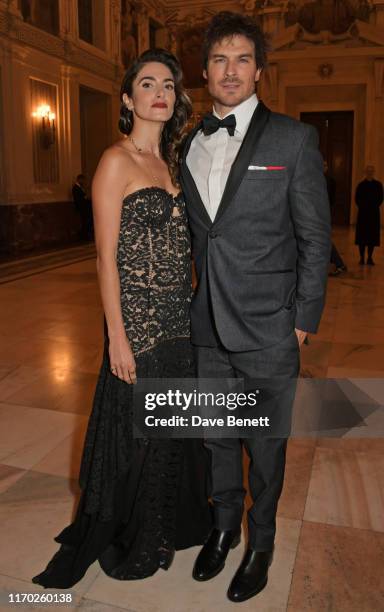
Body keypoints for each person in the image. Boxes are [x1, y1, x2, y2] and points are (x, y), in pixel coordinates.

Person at [32, 48, 212, 590]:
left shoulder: (174, 165)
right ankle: (132, 533)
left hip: (180, 321)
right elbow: (104, 257)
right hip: (139, 324)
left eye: (167, 85)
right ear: (129, 98)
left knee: (172, 433)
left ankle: (163, 528)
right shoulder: (115, 161)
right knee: (135, 442)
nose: (159, 92)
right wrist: (117, 337)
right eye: (148, 83)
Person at [180, 12, 331, 603]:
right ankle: (222, 530)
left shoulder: (293, 139)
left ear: (260, 70)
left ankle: (260, 543)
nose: (230, 69)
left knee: (265, 448)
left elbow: (316, 239)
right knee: (216, 439)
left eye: (242, 58)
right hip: (207, 328)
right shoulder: (187, 141)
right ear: (205, 71)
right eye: (220, 59)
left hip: (271, 328)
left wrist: (301, 322)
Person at [355, 165, 383, 265]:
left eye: (371, 171)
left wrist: (373, 206)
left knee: (372, 237)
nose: (370, 173)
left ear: (374, 172)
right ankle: (361, 258)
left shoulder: (378, 185)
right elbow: (357, 199)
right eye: (368, 171)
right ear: (365, 172)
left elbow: (380, 198)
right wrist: (364, 207)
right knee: (362, 237)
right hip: (363, 214)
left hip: (374, 214)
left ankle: (370, 258)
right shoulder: (361, 185)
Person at [323, 160, 347, 275]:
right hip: (318, 214)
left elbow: (331, 199)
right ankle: (338, 263)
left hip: (322, 215)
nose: (323, 167)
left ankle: (339, 263)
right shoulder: (315, 179)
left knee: (325, 240)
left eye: (325, 165)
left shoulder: (329, 181)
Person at [72, 174, 93, 240]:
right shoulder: (75, 188)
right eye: (83, 180)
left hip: (85, 207)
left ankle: (84, 234)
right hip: (82, 208)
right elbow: (79, 199)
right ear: (79, 179)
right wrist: (85, 197)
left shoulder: (80, 188)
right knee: (85, 221)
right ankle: (83, 235)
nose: (84, 182)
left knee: (86, 221)